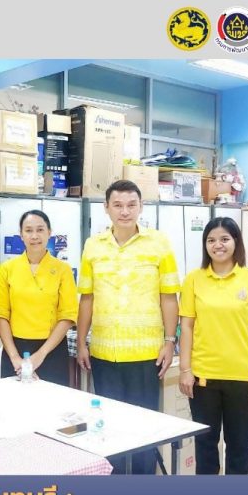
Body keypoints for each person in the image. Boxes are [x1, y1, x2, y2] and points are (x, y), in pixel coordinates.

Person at [76, 179, 180, 474]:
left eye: (131, 205)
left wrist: (170, 341)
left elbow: (169, 296)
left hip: (146, 354)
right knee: (108, 426)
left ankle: (142, 488)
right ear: (106, 208)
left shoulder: (159, 243)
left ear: (141, 206)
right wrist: (82, 342)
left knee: (144, 427)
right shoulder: (93, 246)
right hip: (104, 353)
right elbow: (87, 297)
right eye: (118, 205)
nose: (125, 211)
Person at [178, 217, 248, 475]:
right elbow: (186, 327)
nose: (217, 245)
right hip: (203, 376)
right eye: (211, 240)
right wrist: (185, 370)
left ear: (236, 242)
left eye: (224, 239)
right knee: (205, 446)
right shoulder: (194, 279)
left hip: (243, 378)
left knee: (240, 446)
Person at [0, 209, 77, 385]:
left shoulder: (63, 269)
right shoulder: (7, 269)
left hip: (51, 350)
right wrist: (15, 357)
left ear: (49, 233)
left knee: (52, 400)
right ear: (21, 235)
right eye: (28, 230)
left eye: (40, 230)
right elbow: (1, 314)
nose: (34, 236)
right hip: (15, 349)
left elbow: (67, 315)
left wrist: (40, 355)